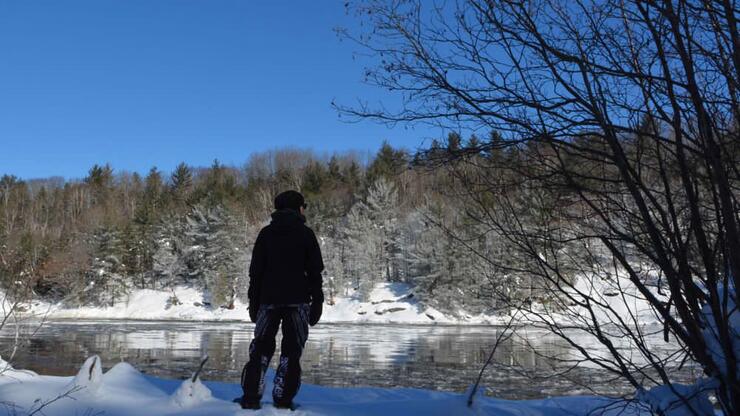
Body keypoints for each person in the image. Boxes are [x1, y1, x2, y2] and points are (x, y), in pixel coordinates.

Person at [238, 190, 324, 410]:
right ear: (298, 208)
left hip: (268, 300)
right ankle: (283, 399)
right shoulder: (306, 234)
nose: (304, 209)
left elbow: (255, 272)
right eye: (303, 206)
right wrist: (318, 302)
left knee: (261, 349)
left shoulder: (266, 234)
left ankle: (251, 397)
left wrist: (254, 302)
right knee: (292, 350)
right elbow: (315, 272)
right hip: (298, 301)